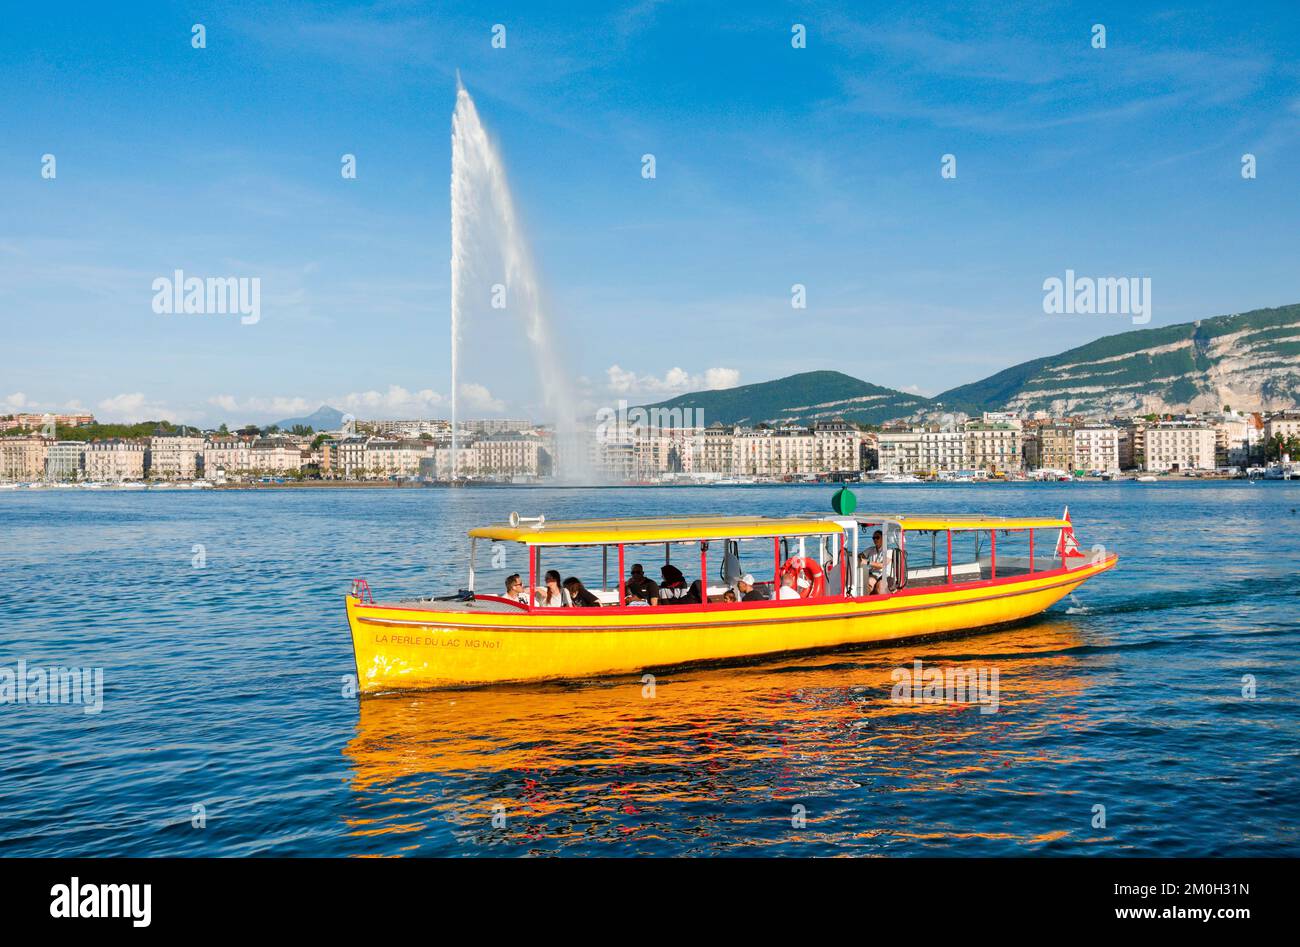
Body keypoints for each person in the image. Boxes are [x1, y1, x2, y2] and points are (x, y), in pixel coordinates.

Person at [862, 530, 888, 595]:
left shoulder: (888, 550)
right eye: (873, 538)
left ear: (883, 538)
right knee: (868, 582)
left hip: (885, 575)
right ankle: (868, 602)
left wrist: (868, 562)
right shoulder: (870, 549)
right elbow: (860, 556)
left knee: (880, 587)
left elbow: (883, 565)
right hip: (873, 574)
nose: (875, 539)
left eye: (877, 537)